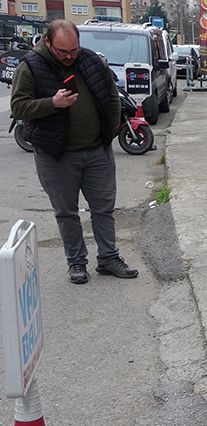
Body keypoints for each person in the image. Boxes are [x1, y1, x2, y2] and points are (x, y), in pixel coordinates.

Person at [10, 19, 137, 285]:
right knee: (67, 212)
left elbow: (112, 96)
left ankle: (108, 258)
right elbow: (19, 107)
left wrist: (111, 129)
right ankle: (77, 263)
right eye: (62, 52)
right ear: (48, 43)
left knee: (104, 209)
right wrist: (52, 103)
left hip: (97, 151)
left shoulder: (91, 60)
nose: (69, 56)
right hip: (56, 154)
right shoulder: (30, 66)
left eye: (74, 50)